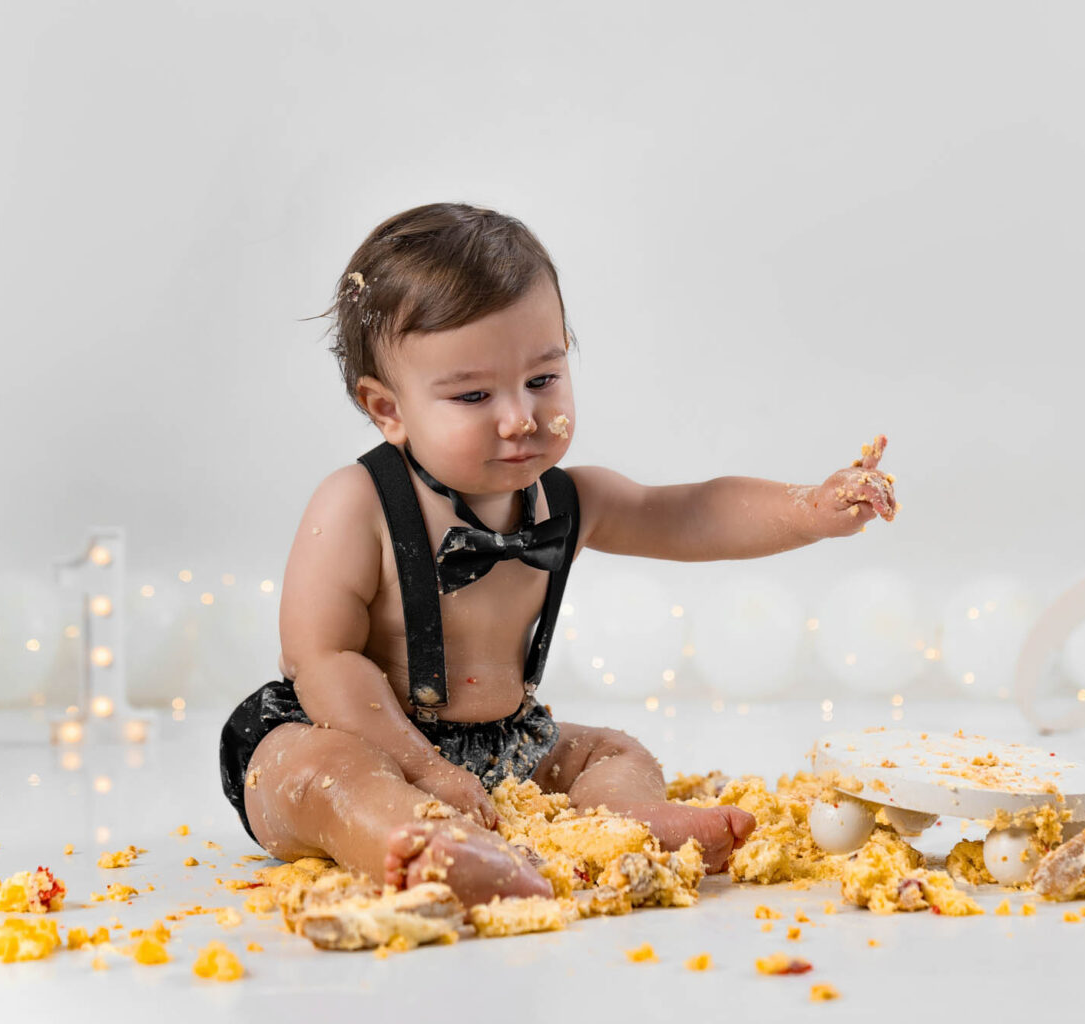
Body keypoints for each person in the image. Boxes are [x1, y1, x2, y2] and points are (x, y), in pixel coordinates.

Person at [218, 202, 899, 906]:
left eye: (542, 379)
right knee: (318, 774)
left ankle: (622, 821)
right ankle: (410, 842)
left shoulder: (567, 501)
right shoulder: (356, 504)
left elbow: (689, 514)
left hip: (501, 749)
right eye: (475, 394)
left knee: (615, 752)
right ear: (388, 409)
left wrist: (810, 510)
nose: (520, 418)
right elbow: (320, 662)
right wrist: (418, 768)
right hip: (357, 732)